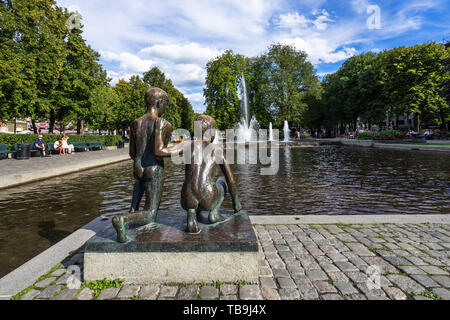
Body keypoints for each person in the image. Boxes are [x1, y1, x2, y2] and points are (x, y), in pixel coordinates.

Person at [112, 88, 184, 243]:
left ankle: (128, 226)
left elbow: (132, 153)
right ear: (159, 103)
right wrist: (180, 149)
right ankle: (122, 220)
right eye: (165, 105)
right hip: (153, 169)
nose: (165, 109)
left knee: (134, 207)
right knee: (150, 213)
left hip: (138, 168)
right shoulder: (162, 123)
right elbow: (159, 151)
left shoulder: (136, 123)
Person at [181, 115, 242, 234]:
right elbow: (231, 180)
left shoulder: (188, 146)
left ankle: (192, 213)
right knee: (223, 180)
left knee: (193, 183)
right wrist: (236, 203)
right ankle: (213, 213)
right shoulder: (217, 150)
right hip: (208, 198)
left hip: (186, 199)